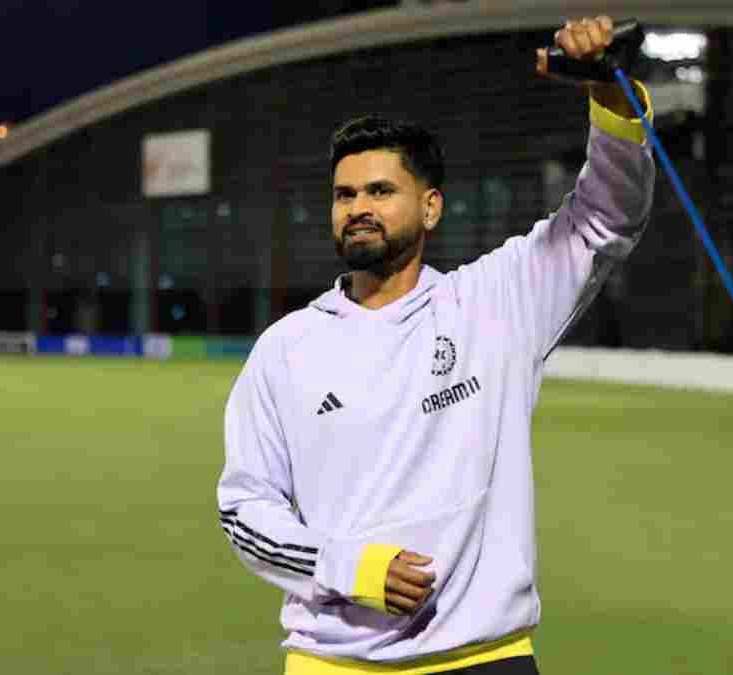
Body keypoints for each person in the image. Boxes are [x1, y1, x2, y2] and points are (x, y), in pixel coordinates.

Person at [218, 16, 655, 674]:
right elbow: (245, 507)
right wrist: (351, 568)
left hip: (485, 656)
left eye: (379, 190)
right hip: (335, 664)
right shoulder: (285, 349)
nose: (357, 205)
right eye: (344, 194)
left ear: (430, 207)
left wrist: (610, 97)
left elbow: (604, 216)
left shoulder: (495, 303)